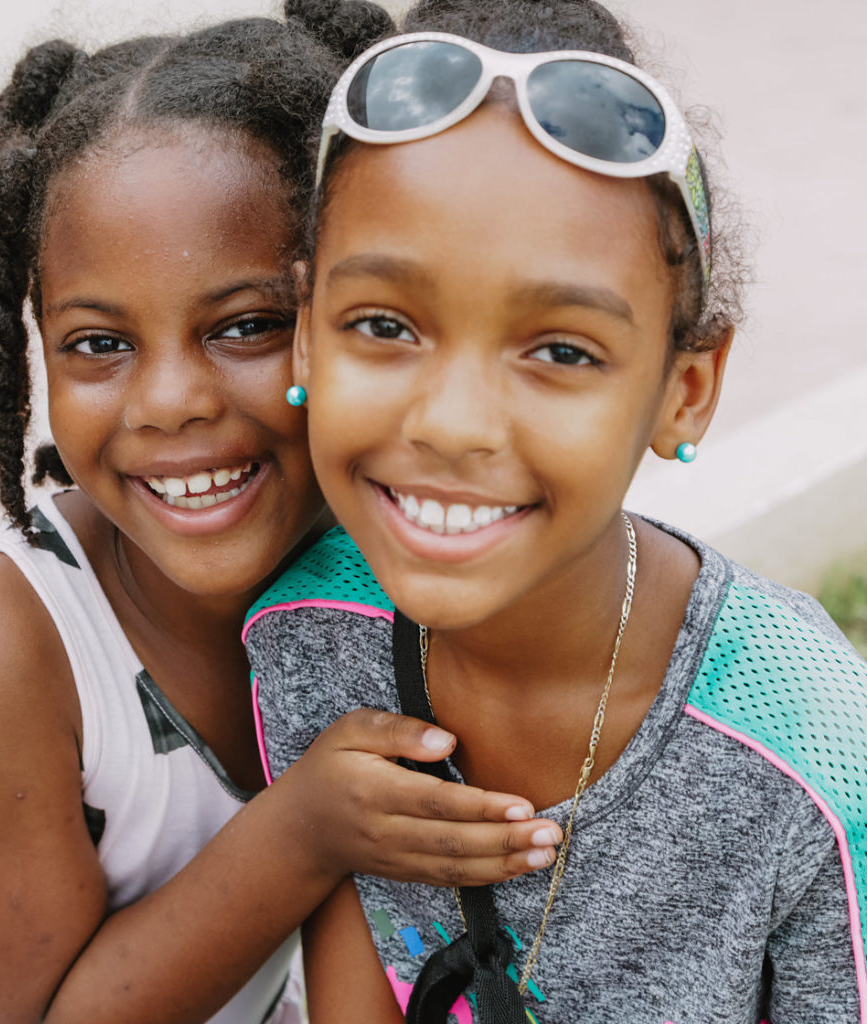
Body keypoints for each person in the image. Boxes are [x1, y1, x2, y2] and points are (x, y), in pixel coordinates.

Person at [0, 6, 568, 1023]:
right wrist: (305, 831)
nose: (169, 400)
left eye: (248, 325)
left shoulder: (418, 549)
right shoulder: (2, 635)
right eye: (98, 343)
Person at [244, 0, 867, 1021]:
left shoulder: (811, 751)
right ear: (307, 334)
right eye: (384, 324)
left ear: (686, 388)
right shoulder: (308, 633)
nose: (452, 423)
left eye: (561, 351)